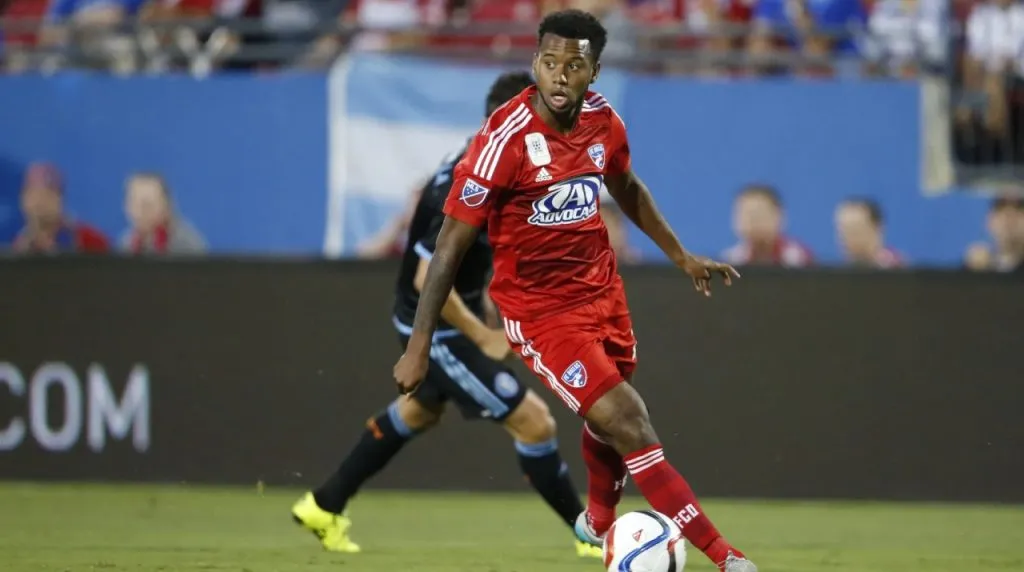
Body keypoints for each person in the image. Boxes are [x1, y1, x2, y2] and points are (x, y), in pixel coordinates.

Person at [393, 9, 758, 572]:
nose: (560, 76)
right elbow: (448, 247)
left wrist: (681, 256)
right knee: (628, 419)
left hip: (602, 292)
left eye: (574, 65)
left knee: (605, 419)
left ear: (594, 71)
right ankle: (725, 556)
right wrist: (420, 344)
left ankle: (599, 521)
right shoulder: (504, 139)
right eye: (549, 62)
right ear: (535, 63)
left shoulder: (603, 121)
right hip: (540, 312)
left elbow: (627, 186)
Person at [292, 70, 603, 560]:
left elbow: (482, 261)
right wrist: (484, 336)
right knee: (535, 422)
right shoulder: (470, 181)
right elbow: (426, 278)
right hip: (433, 326)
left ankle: (323, 504)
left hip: (440, 314)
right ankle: (587, 536)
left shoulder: (489, 158)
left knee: (418, 411)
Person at [120, 172, 207, 255]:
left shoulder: (187, 245)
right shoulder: (125, 244)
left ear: (167, 205)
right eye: (134, 203)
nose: (140, 211)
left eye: (147, 204)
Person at [834, 197, 904, 268]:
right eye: (843, 231)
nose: (846, 239)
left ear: (878, 229)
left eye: (855, 231)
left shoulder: (897, 269)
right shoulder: (837, 274)